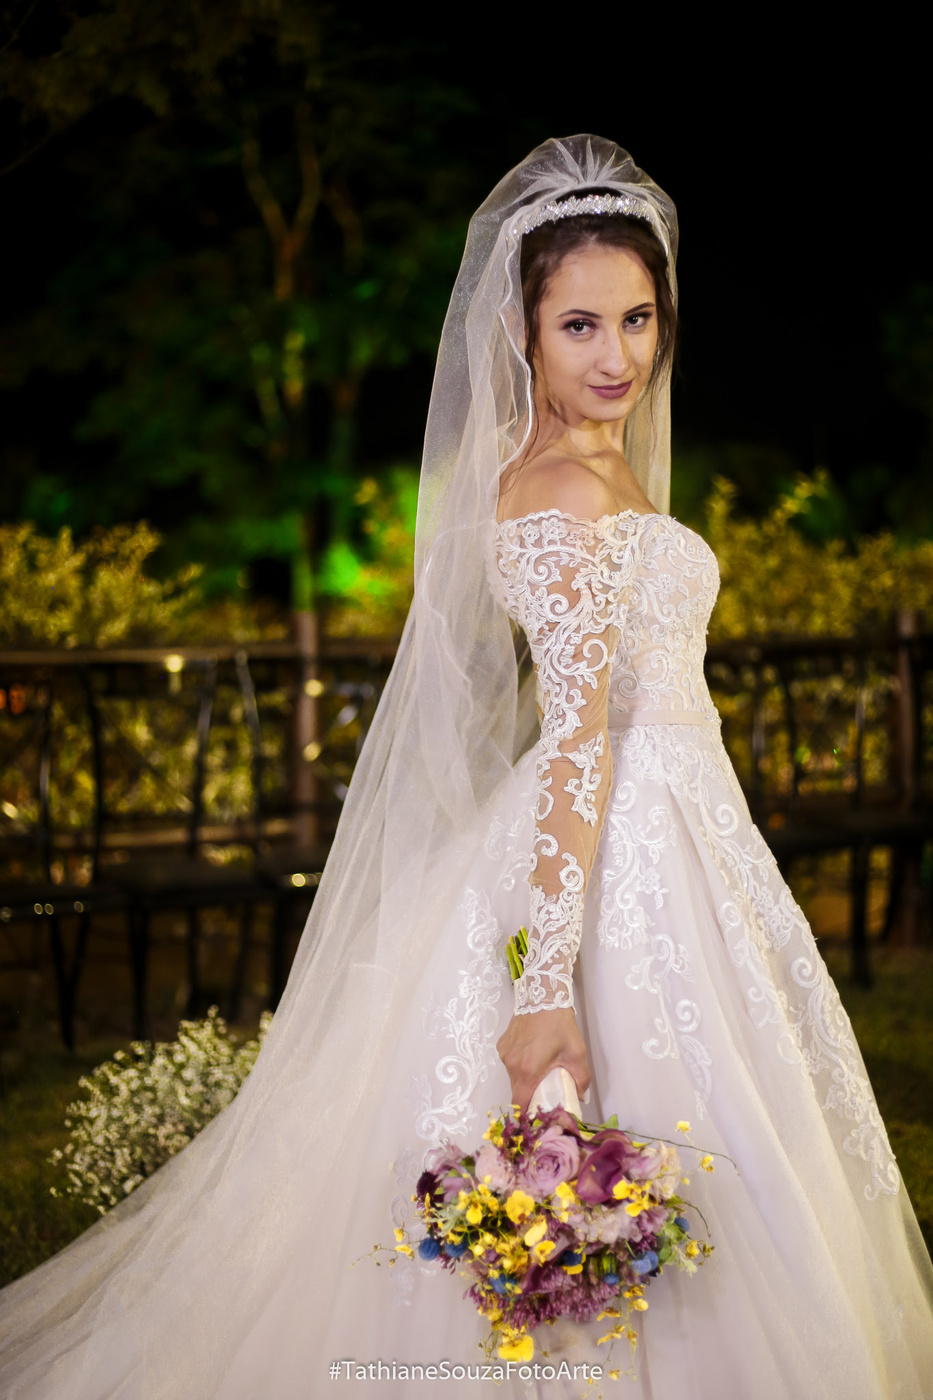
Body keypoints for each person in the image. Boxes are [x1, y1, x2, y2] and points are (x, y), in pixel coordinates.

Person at [1, 134, 932, 1400]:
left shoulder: (604, 463)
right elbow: (579, 736)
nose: (617, 355)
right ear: (525, 333)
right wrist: (544, 984)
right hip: (613, 837)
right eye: (580, 325)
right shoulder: (555, 492)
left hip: (673, 820)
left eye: (637, 318)